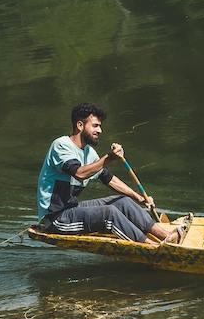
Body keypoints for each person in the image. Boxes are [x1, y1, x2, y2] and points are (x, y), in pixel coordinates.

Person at [36, 104, 190, 245]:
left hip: (72, 209)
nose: (100, 131)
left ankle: (168, 237)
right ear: (80, 125)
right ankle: (152, 248)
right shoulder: (61, 145)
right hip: (55, 218)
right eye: (95, 126)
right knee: (108, 213)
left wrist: (138, 197)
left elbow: (109, 179)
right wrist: (109, 158)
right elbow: (79, 173)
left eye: (100, 126)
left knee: (123, 201)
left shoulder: (89, 153)